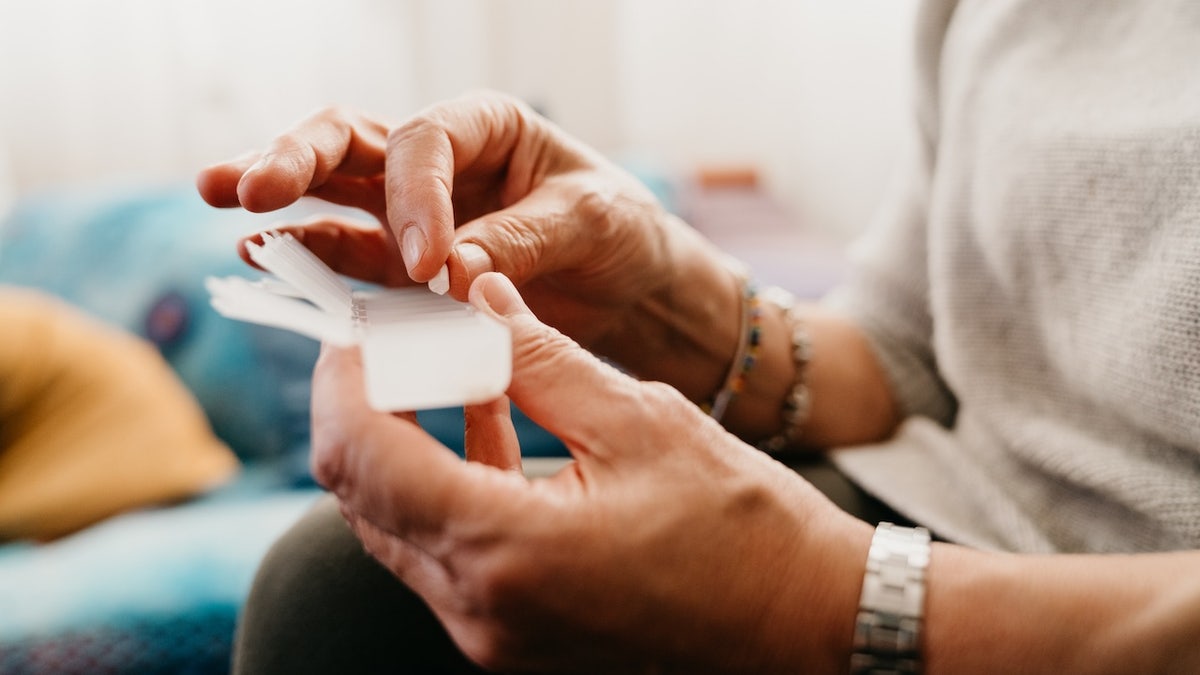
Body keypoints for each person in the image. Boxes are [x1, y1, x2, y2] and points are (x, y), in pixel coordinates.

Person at [197, 0, 1200, 672]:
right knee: (338, 595)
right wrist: (665, 297)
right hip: (935, 520)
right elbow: (914, 358)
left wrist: (818, 598)